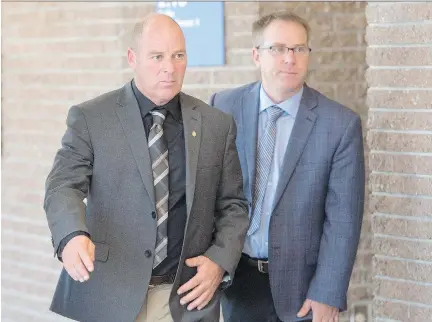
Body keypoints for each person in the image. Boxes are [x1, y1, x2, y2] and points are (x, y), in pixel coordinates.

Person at [44, 13, 249, 322]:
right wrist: (71, 235)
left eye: (178, 55)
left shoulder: (216, 124)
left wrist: (219, 260)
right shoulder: (92, 118)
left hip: (185, 297)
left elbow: (233, 204)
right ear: (132, 58)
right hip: (111, 292)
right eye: (157, 56)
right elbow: (62, 185)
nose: (170, 67)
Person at [210, 11, 365, 322]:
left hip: (304, 290)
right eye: (278, 49)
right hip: (239, 281)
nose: (290, 59)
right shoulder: (224, 107)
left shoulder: (339, 124)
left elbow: (343, 220)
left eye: (299, 49)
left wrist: (328, 292)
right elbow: (210, 195)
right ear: (256, 55)